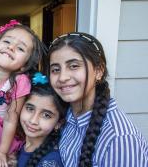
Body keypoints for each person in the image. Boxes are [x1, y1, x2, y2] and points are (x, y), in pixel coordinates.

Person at [47, 32, 148, 166]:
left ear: (99, 71)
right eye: (55, 69)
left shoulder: (119, 139)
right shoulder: (66, 115)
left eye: (74, 66)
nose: (62, 77)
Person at [0, 20, 47, 166]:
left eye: (20, 49)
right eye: (7, 41)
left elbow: (10, 118)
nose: (11, 47)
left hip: (5, 136)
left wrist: (2, 151)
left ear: (24, 64)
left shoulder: (19, 81)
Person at [16, 72, 67, 167]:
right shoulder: (17, 145)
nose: (33, 121)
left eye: (46, 115)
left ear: (59, 123)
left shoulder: (51, 161)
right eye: (30, 109)